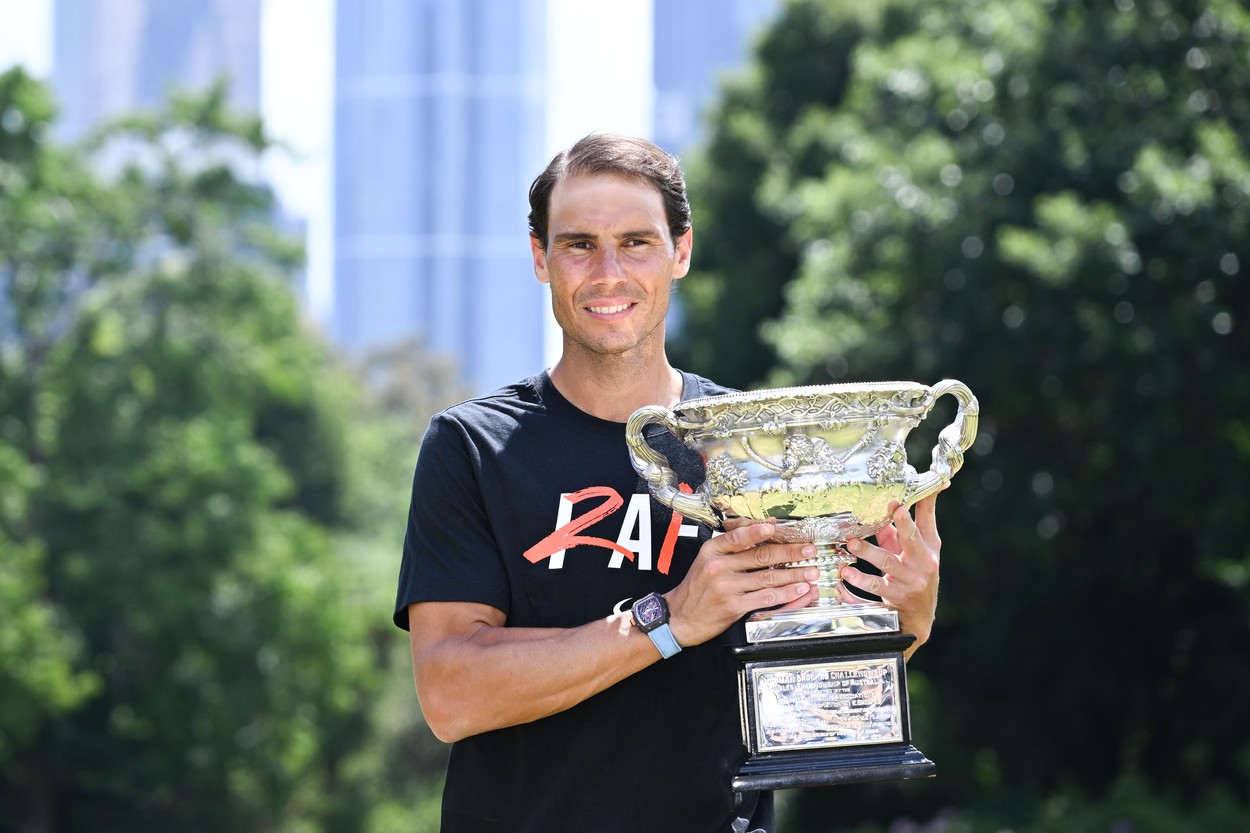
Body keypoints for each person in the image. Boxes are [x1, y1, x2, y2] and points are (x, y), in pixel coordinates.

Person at [393, 133, 943, 833]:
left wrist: (905, 619)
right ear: (540, 257)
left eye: (637, 242)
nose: (609, 272)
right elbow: (450, 694)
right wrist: (669, 618)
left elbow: (819, 673)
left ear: (681, 251)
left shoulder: (761, 449)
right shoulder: (473, 447)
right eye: (579, 244)